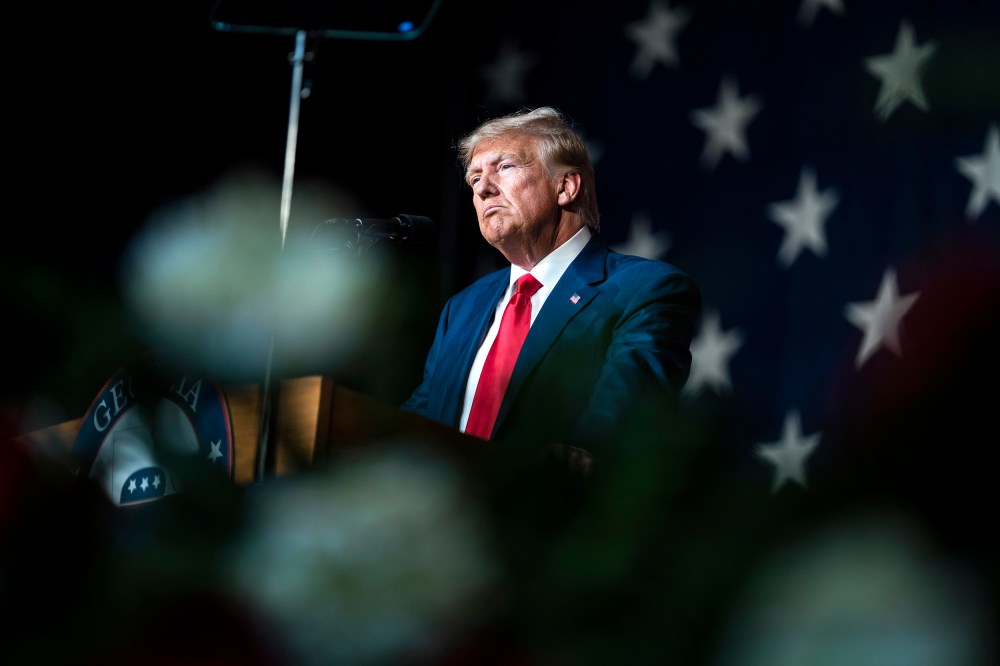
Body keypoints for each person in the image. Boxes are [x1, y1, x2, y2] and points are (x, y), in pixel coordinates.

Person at [401, 106, 701, 477]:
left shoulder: (643, 289)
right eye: (474, 177)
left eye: (505, 167)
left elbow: (621, 416)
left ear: (566, 186)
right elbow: (421, 418)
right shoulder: (462, 307)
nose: (482, 187)